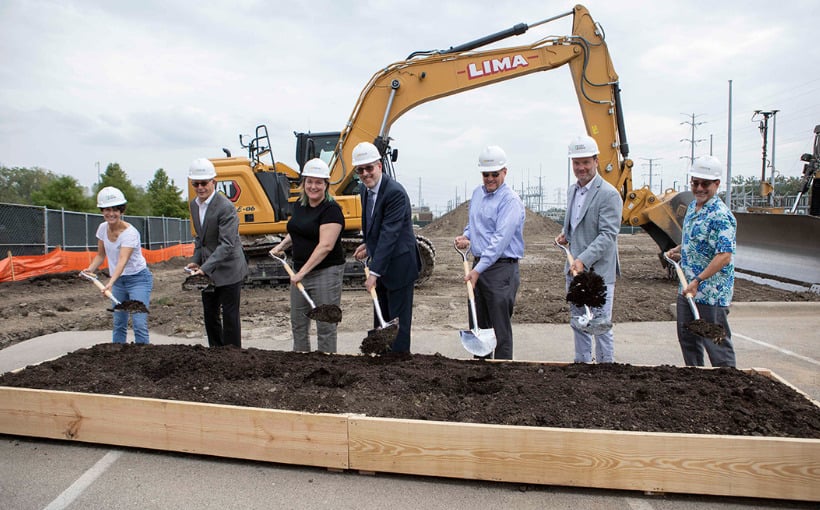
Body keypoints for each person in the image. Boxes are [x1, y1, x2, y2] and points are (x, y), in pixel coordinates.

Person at [555, 135, 622, 363]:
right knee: (578, 321)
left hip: (598, 272)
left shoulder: (609, 194)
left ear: (596, 161)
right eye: (576, 162)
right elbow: (577, 226)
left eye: (585, 162)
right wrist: (566, 237)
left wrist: (583, 259)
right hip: (574, 269)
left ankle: (606, 367)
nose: (581, 167)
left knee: (600, 323)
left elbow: (607, 235)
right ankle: (582, 364)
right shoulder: (573, 191)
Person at [665, 155, 737, 368]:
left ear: (717, 184)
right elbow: (694, 241)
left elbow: (724, 255)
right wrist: (678, 251)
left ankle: (727, 385)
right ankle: (695, 378)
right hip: (687, 288)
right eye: (695, 183)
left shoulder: (721, 216)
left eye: (705, 184)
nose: (699, 188)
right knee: (688, 339)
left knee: (716, 343)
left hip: (711, 293)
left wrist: (698, 280)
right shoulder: (692, 209)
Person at [454, 145, 525, 360]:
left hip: (501, 269)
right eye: (486, 174)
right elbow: (475, 225)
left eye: (495, 174)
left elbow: (499, 241)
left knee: (499, 328)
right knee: (479, 324)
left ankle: (503, 374)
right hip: (479, 265)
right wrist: (467, 236)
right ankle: (481, 370)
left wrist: (477, 271)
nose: (490, 178)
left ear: (505, 172)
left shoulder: (510, 201)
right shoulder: (477, 194)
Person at [269, 158, 345, 353]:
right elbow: (297, 230)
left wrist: (301, 273)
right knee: (299, 323)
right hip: (299, 270)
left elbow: (325, 246)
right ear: (303, 183)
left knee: (326, 325)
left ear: (326, 185)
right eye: (309, 181)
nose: (313, 186)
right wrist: (282, 245)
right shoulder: (299, 206)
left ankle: (327, 366)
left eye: (318, 182)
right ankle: (301, 363)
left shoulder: (332, 210)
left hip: (325, 273)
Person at [351, 141, 421, 353]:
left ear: (379, 165)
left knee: (397, 326)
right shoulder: (365, 191)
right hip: (382, 263)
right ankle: (382, 366)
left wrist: (373, 273)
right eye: (360, 170)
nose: (365, 173)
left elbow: (390, 234)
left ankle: (399, 365)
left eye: (369, 168)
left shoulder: (395, 193)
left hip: (399, 266)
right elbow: (376, 227)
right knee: (381, 322)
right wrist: (368, 244)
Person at [185, 157, 249, 348]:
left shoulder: (225, 207)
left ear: (214, 181)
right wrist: (195, 261)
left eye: (204, 183)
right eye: (196, 184)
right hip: (208, 269)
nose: (200, 187)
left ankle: (233, 356)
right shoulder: (194, 206)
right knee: (210, 315)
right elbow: (200, 239)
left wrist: (204, 268)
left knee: (230, 317)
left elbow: (227, 244)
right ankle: (216, 354)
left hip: (229, 269)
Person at [81, 186, 153, 344]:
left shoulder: (130, 233)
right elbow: (101, 255)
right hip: (119, 281)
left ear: (121, 211)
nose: (111, 213)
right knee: (119, 322)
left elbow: (122, 261)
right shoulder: (102, 228)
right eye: (106, 209)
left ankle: (143, 359)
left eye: (115, 209)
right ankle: (117, 359)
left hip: (138, 279)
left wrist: (110, 283)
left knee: (139, 322)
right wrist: (90, 269)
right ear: (102, 211)